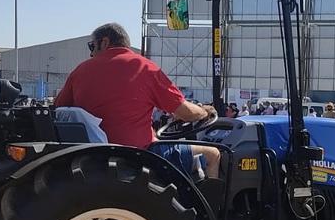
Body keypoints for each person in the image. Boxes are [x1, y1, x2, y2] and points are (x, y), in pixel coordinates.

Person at [55, 23, 220, 178]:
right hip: (138, 156)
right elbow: (188, 113)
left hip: (91, 156)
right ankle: (213, 208)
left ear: (104, 42)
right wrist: (204, 111)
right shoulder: (145, 68)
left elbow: (58, 108)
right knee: (214, 154)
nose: (91, 53)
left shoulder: (80, 71)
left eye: (92, 46)